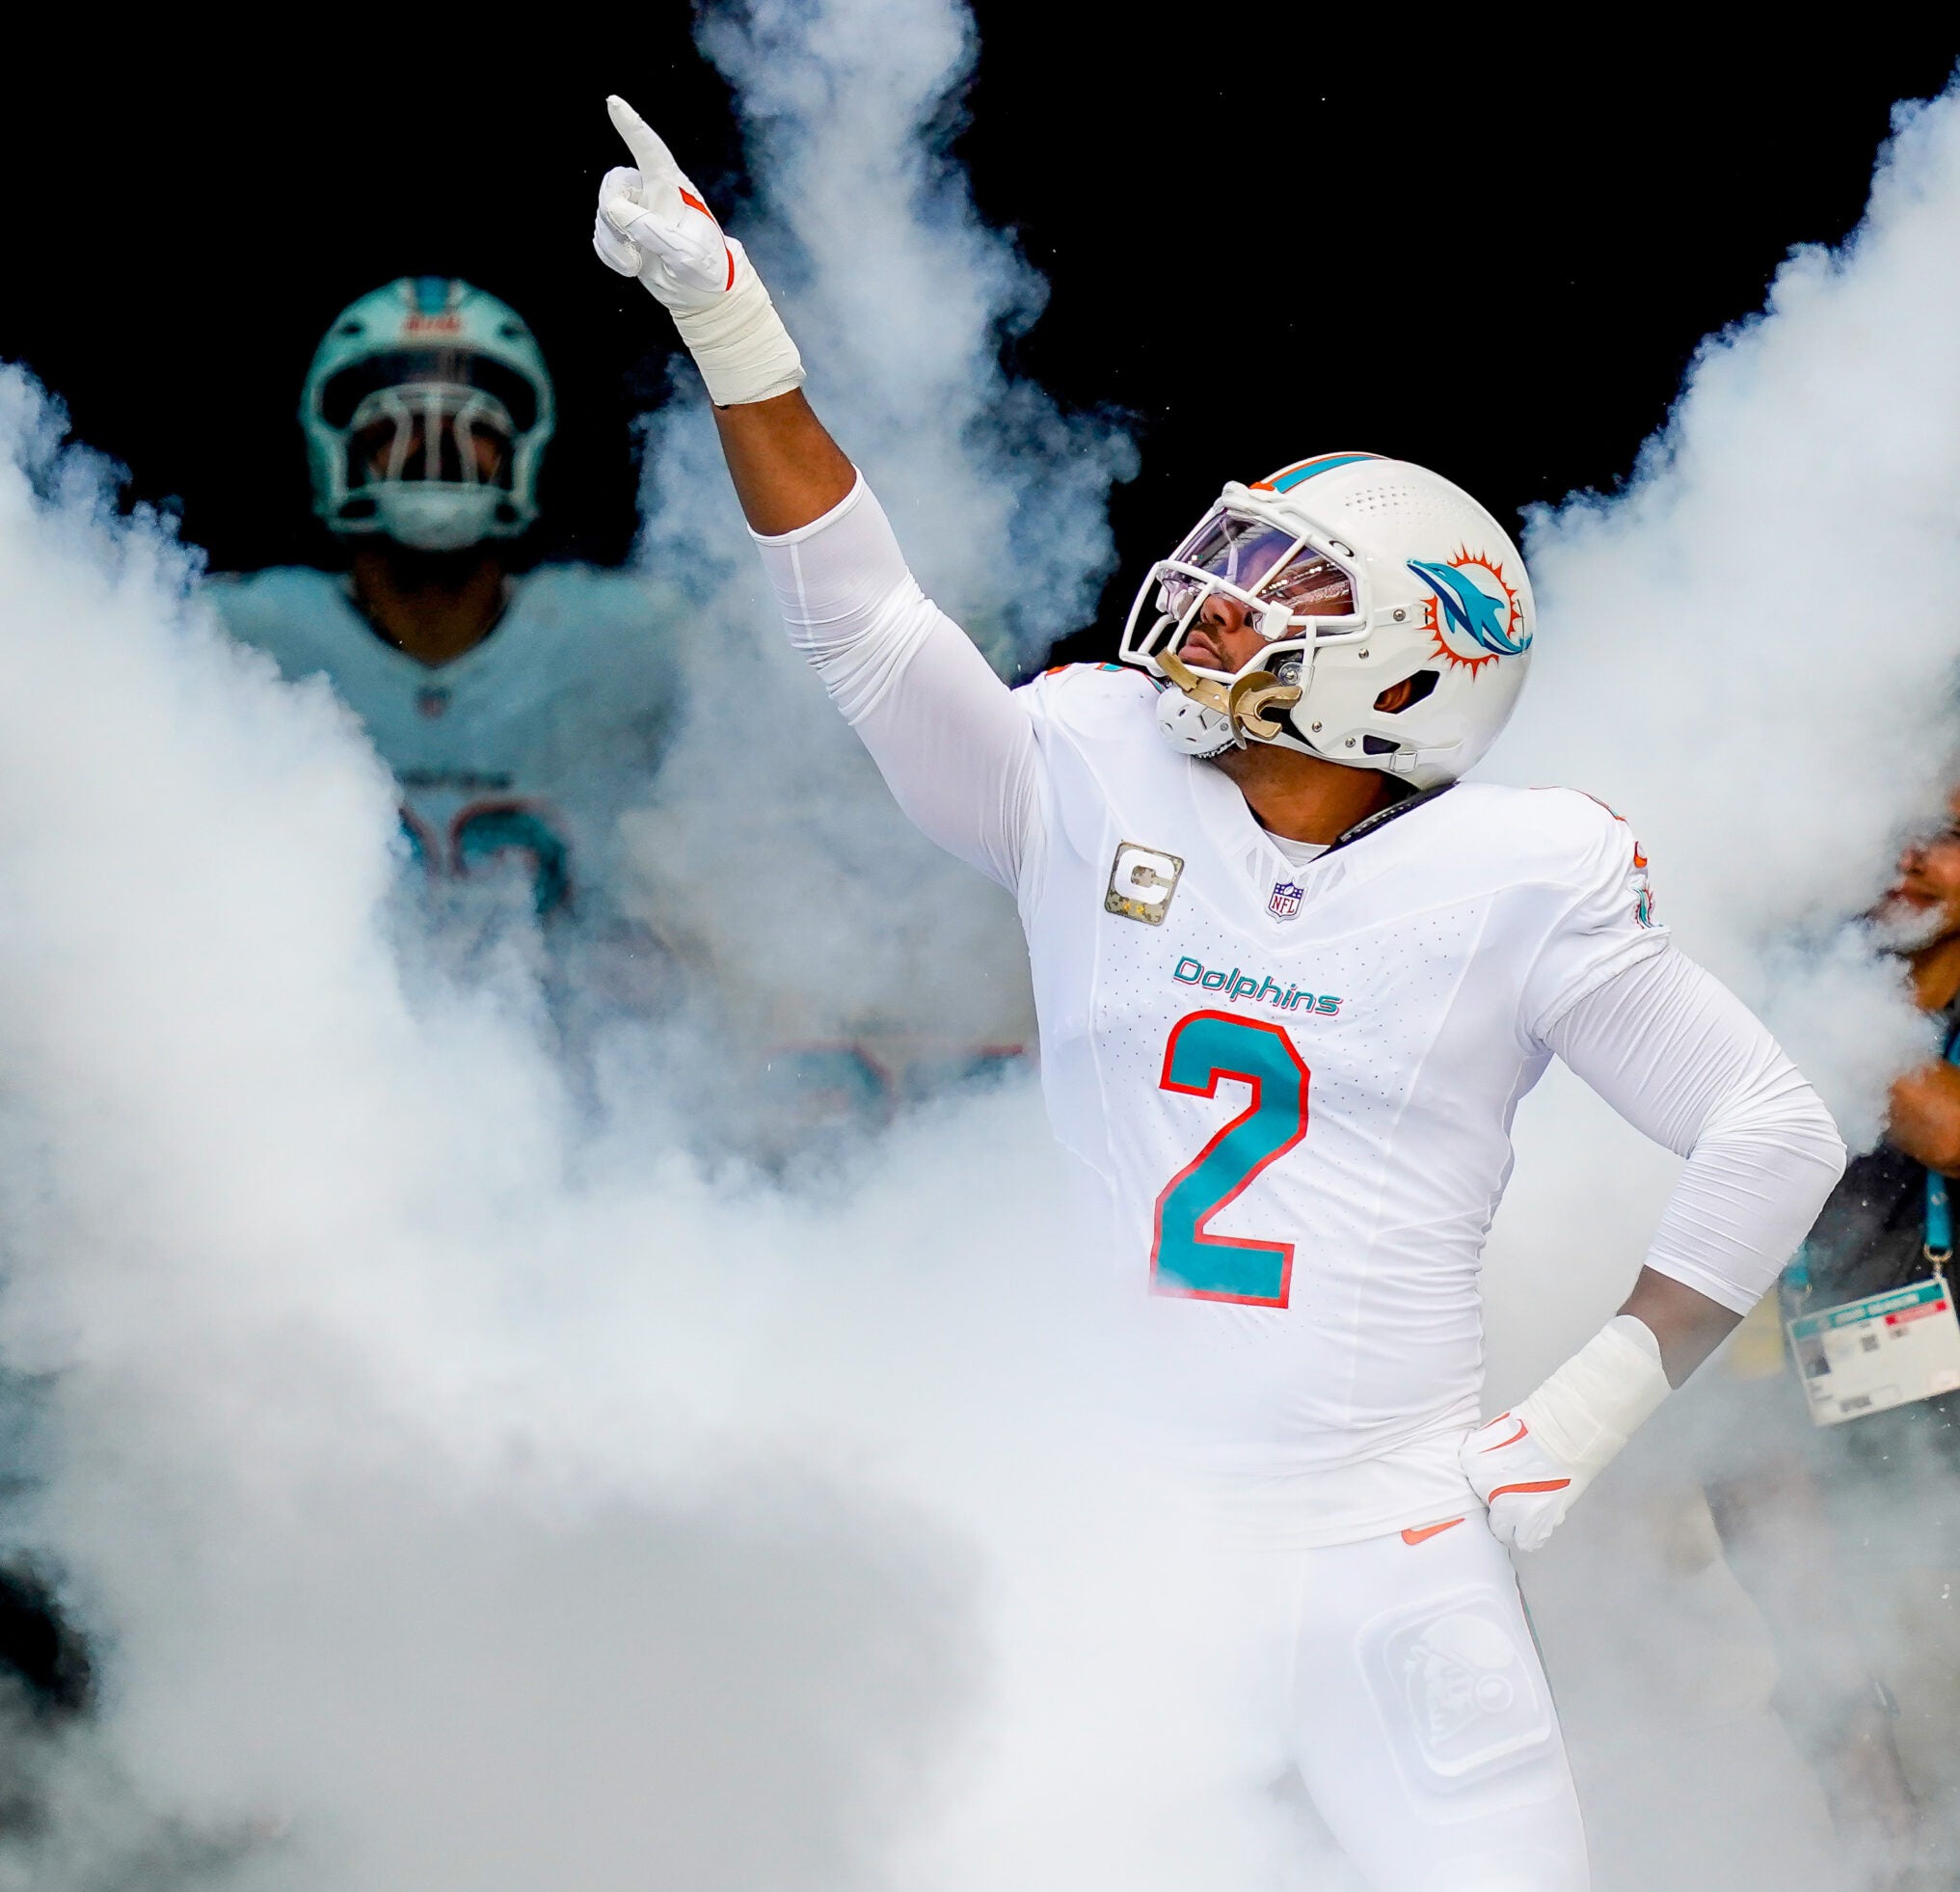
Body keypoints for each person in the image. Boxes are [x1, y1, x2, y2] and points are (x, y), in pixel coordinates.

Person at [591, 97, 1847, 1891]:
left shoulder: (1521, 873)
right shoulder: (1091, 764)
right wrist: (737, 338)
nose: (1220, 601)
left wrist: (1590, 1408)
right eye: (1243, 566)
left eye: (1284, 589)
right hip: (1126, 1526)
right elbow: (863, 625)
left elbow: (1773, 1127)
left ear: (1404, 674)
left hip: (1389, 1535)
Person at [1707, 781, 1960, 1887]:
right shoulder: (1740, 1011)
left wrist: (1822, 1000)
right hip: (1736, 1503)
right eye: (1883, 825)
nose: (1907, 858)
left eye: (1946, 834)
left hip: (1932, 1525)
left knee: (1925, 1822)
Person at [214, 277, 680, 935]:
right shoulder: (239, 638)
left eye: (473, 423)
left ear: (520, 448)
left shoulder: (633, 640)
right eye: (395, 424)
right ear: (339, 448)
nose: (436, 444)